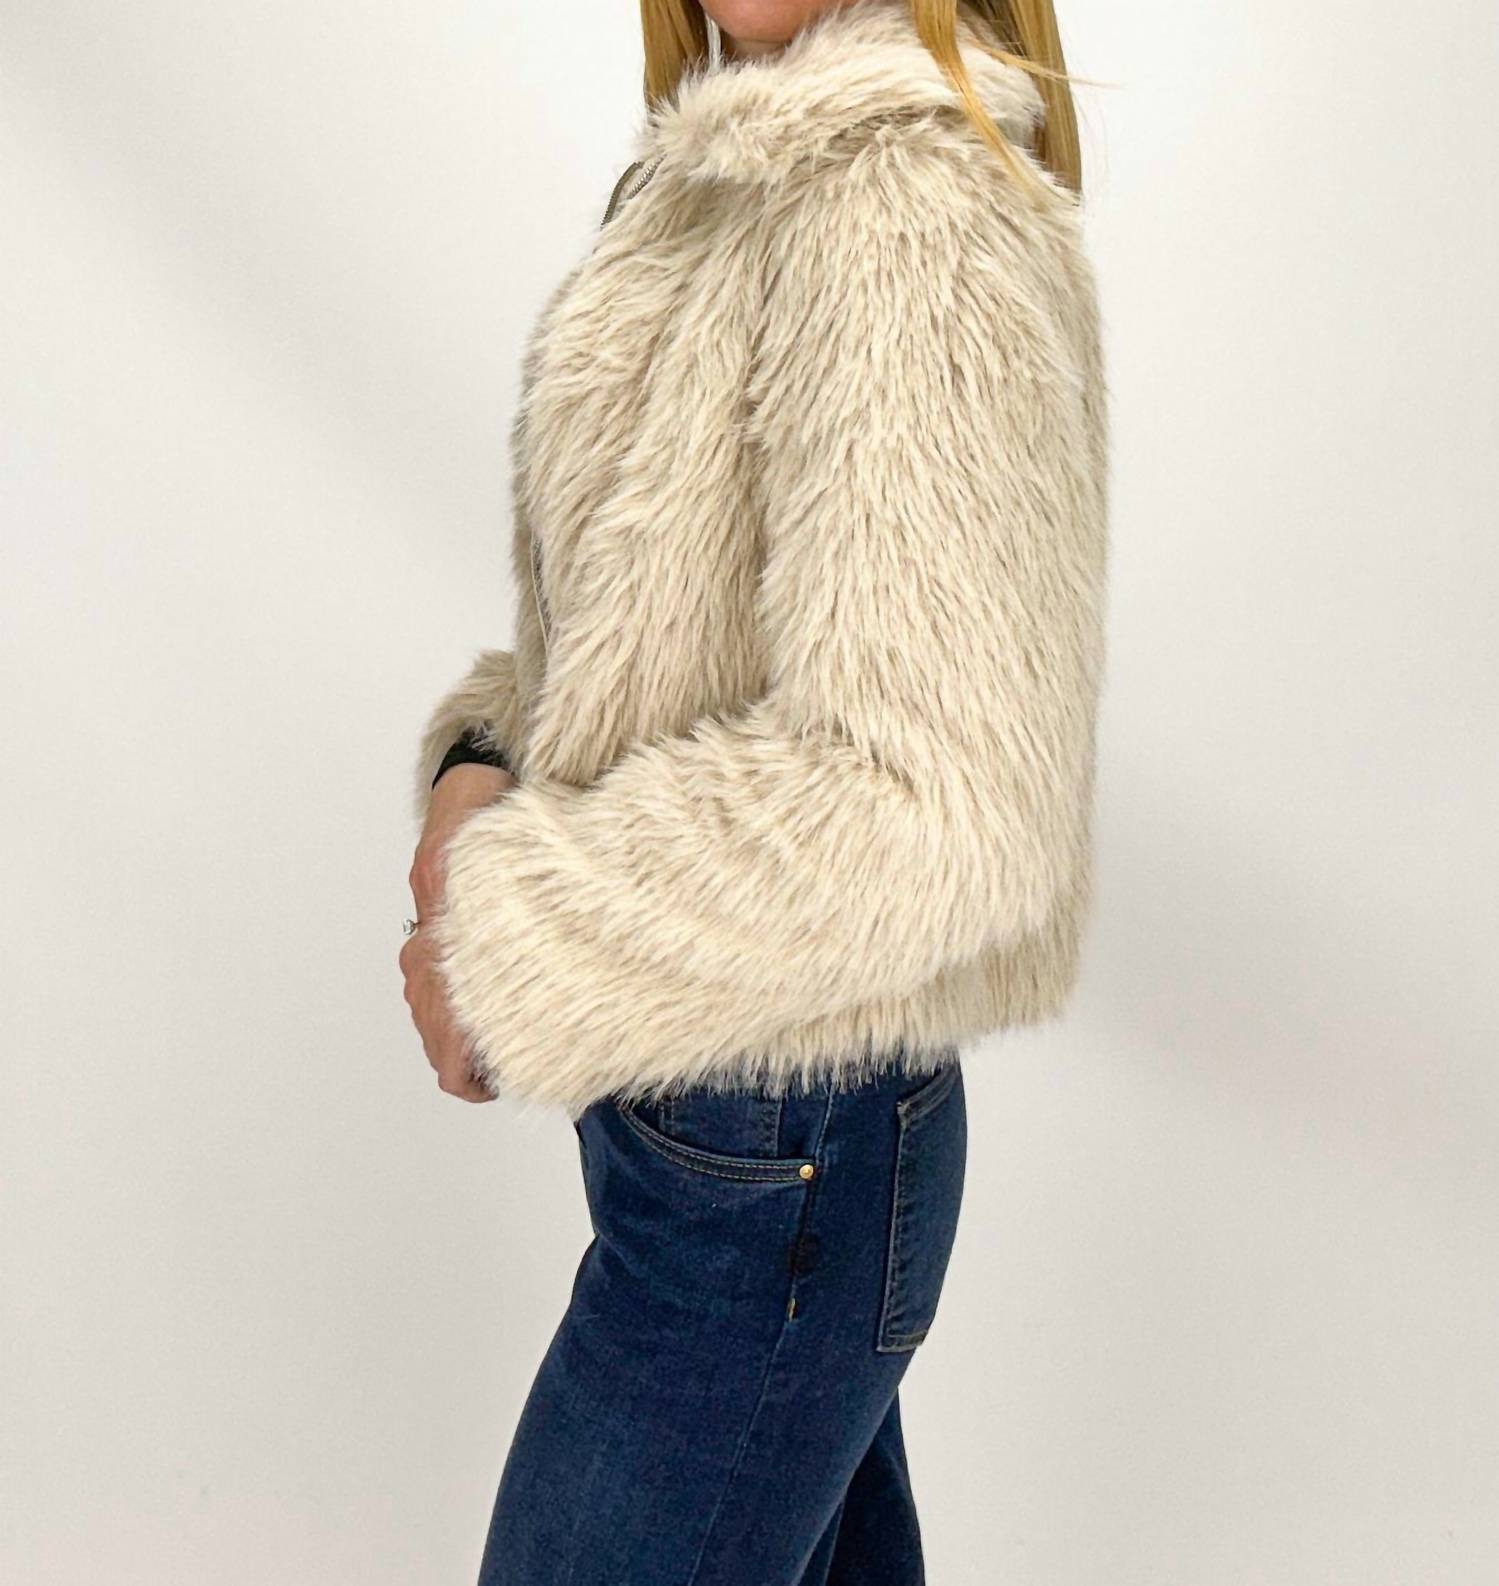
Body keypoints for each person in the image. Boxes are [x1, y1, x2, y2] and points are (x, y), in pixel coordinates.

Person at [399, 1, 1107, 1580]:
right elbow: (657, 647)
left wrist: (504, 936)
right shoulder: (729, 174)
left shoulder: (909, 210)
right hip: (725, 1142)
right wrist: (482, 764)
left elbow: (941, 801)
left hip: (782, 1158)